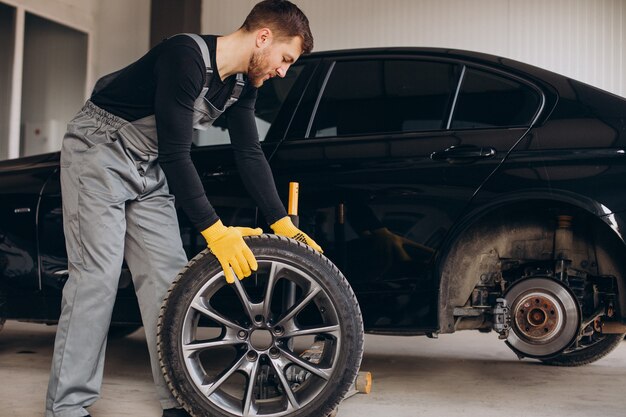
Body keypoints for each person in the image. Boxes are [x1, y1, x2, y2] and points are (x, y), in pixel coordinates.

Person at [45, 1, 320, 416]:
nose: (283, 70)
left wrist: (281, 222)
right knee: (96, 280)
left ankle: (178, 400)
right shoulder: (185, 56)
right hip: (99, 152)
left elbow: (249, 152)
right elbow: (178, 155)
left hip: (148, 164)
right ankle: (67, 407)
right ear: (263, 37)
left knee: (168, 282)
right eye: (285, 59)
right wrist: (215, 231)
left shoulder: (242, 85)